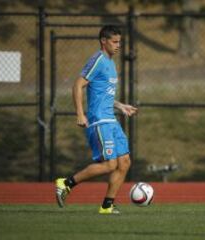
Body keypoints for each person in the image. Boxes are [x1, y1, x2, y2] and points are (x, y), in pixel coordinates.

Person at [55, 25, 137, 214]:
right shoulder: (98, 59)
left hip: (111, 119)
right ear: (103, 41)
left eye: (120, 42)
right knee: (110, 164)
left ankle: (107, 205)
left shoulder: (111, 63)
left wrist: (120, 106)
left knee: (124, 162)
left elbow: (103, 94)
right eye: (115, 42)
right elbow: (78, 84)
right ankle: (66, 183)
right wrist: (80, 113)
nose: (118, 45)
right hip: (99, 120)